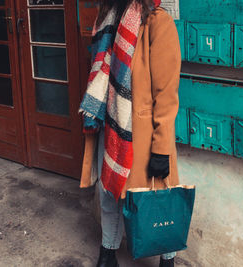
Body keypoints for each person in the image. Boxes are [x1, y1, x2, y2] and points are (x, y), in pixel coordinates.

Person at [78, 0, 181, 266]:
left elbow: (166, 95)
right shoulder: (106, 20)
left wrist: (161, 147)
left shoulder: (158, 22)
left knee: (157, 194)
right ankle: (108, 252)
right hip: (110, 126)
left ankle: (167, 258)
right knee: (108, 193)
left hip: (144, 135)